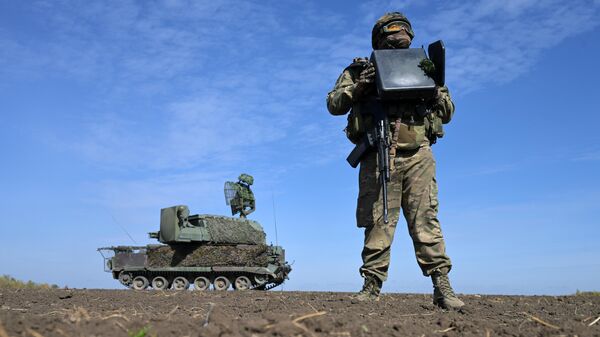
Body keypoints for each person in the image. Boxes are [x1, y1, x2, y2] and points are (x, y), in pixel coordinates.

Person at [326, 12, 464, 309]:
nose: (397, 40)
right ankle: (371, 286)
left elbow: (449, 113)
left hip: (418, 157)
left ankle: (442, 286)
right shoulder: (360, 70)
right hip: (378, 155)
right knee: (378, 223)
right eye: (390, 36)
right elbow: (334, 104)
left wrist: (436, 91)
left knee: (426, 221)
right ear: (379, 39)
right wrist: (359, 87)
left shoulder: (426, 67)